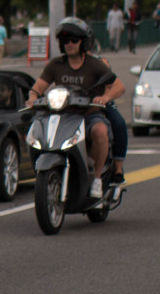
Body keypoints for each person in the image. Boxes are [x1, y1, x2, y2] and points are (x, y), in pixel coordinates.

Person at [26, 17, 127, 199]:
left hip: (89, 115)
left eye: (74, 40)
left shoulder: (95, 64)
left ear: (83, 42)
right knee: (36, 130)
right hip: (62, 115)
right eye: (65, 40)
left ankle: (97, 178)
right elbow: (38, 87)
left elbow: (119, 86)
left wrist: (105, 97)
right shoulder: (55, 65)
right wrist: (32, 97)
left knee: (100, 130)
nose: (69, 44)